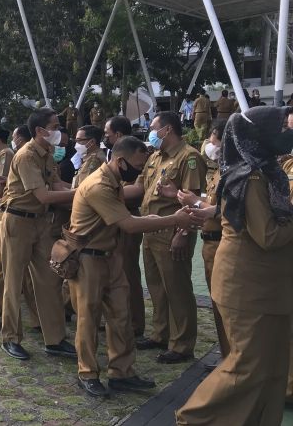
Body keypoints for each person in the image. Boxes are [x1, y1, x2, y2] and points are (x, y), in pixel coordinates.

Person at [176, 106, 293, 425]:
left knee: (273, 366)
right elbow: (267, 235)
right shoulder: (251, 176)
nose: (286, 132)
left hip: (269, 285)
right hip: (248, 286)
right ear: (259, 135)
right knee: (247, 365)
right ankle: (193, 418)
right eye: (280, 126)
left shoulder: (266, 170)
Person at [69, 136, 198, 397]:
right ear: (120, 161)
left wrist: (158, 217)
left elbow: (128, 217)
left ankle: (121, 373)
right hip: (88, 259)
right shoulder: (98, 186)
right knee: (88, 318)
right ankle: (88, 373)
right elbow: (128, 224)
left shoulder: (113, 180)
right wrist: (172, 218)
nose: (141, 170)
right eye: (138, 165)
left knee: (121, 316)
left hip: (109, 257)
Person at [127, 111, 206, 364]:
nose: (150, 131)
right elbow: (140, 188)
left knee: (177, 289)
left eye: (153, 127)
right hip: (151, 230)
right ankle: (160, 334)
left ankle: (182, 345)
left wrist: (183, 234)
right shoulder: (155, 157)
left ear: (168, 129)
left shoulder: (189, 157)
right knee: (157, 287)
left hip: (172, 231)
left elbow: (193, 200)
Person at [0, 107, 76, 361]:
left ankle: (54, 339)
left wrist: (84, 188)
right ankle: (10, 337)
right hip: (18, 221)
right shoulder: (26, 155)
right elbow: (43, 195)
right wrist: (82, 195)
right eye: (54, 126)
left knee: (50, 279)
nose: (58, 131)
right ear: (40, 131)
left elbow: (56, 185)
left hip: (40, 222)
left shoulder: (47, 153)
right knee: (14, 280)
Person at [175, 119, 229, 362]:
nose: (209, 143)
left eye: (213, 138)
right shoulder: (219, 169)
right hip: (210, 243)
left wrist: (195, 202)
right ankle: (227, 357)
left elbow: (229, 209)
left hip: (222, 242)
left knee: (226, 305)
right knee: (217, 305)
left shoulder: (235, 172)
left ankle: (233, 360)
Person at [0, 125, 40, 332]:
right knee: (5, 269)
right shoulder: (20, 155)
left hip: (29, 218)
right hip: (12, 214)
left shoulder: (17, 154)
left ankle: (37, 318)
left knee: (29, 274)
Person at [104, 115, 146, 338]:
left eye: (108, 134)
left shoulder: (137, 154)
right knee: (116, 274)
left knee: (128, 274)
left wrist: (107, 194)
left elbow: (138, 190)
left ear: (118, 135)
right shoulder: (114, 154)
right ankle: (119, 318)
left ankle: (134, 323)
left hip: (128, 216)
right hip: (112, 219)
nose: (105, 137)